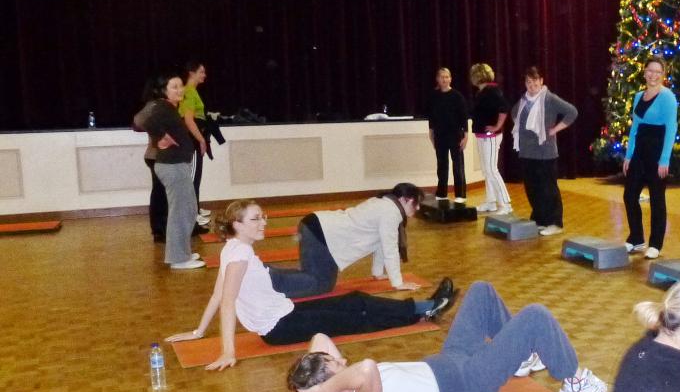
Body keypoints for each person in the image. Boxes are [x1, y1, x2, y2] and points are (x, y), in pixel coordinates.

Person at [165, 200, 456, 372]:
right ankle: (426, 309)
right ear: (237, 225)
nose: (263, 222)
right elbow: (227, 301)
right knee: (357, 309)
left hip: (284, 315)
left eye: (263, 216)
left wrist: (199, 331)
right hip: (281, 327)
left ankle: (424, 308)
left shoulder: (232, 248)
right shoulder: (239, 253)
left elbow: (218, 294)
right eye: (256, 219)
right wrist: (228, 351)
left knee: (354, 302)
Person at [287, 281, 609, 392]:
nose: (343, 360)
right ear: (332, 385)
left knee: (481, 291)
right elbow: (366, 369)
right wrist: (324, 390)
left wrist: (319, 389)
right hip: (466, 386)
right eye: (337, 365)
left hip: (448, 359)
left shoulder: (336, 387)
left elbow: (320, 339)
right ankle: (573, 379)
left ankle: (518, 358)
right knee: (536, 316)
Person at [266, 183, 427, 299]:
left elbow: (380, 244)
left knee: (314, 277)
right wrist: (398, 283)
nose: (418, 207)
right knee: (321, 284)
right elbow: (390, 248)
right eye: (416, 202)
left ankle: (264, 273)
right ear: (404, 199)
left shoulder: (385, 203)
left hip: (317, 228)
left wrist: (377, 274)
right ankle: (266, 282)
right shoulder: (391, 212)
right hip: (321, 233)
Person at [139, 74, 203, 270]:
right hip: (172, 167)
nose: (180, 90)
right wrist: (162, 136)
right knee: (180, 212)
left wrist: (163, 136)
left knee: (188, 210)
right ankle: (178, 259)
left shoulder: (169, 108)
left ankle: (182, 252)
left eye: (180, 86)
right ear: (164, 91)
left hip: (175, 166)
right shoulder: (162, 107)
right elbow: (144, 121)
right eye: (174, 87)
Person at [623, 56, 678, 259]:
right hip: (640, 152)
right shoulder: (638, 96)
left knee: (657, 199)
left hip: (657, 151)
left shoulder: (668, 98)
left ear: (663, 75)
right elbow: (635, 128)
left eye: (658, 71)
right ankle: (636, 238)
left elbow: (671, 129)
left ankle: (656, 244)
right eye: (650, 70)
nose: (653, 75)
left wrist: (664, 159)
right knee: (629, 195)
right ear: (644, 72)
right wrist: (629, 155)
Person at [512, 66, 577, 236]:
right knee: (532, 188)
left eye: (534, 82)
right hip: (527, 152)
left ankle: (555, 222)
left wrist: (555, 129)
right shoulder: (524, 100)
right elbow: (514, 114)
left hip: (545, 152)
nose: (531, 86)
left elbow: (572, 112)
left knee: (548, 188)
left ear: (541, 81)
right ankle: (540, 219)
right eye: (528, 82)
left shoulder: (549, 98)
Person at [468, 63, 513, 215]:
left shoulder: (492, 90)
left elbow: (505, 108)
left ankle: (506, 204)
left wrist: (497, 126)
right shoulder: (482, 92)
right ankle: (491, 202)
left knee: (492, 170)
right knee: (487, 170)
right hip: (482, 135)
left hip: (491, 136)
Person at [132, 76, 169, 244]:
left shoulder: (164, 105)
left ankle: (162, 228)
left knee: (162, 193)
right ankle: (159, 230)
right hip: (156, 156)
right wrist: (158, 134)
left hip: (161, 156)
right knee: (160, 193)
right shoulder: (155, 105)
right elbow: (137, 122)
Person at [427, 67, 469, 202]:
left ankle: (460, 194)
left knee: (458, 165)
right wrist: (431, 132)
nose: (444, 79)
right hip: (440, 135)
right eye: (442, 77)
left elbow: (464, 118)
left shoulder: (457, 96)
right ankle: (442, 192)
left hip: (455, 135)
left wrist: (466, 135)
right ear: (437, 79)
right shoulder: (433, 96)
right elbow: (432, 117)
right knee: (441, 164)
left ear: (450, 79)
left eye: (447, 77)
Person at [179, 59, 211, 225]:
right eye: (201, 72)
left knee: (196, 176)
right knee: (193, 177)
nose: (204, 75)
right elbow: (189, 120)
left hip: (195, 136)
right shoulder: (189, 91)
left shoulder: (192, 91)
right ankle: (192, 214)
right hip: (192, 138)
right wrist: (200, 140)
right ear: (191, 73)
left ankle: (195, 208)